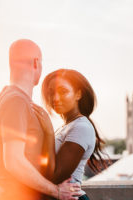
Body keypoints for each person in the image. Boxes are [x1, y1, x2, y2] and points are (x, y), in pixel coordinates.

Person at [0, 40, 81, 200]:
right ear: (35, 63)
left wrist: (48, 130)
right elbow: (14, 161)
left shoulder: (10, 98)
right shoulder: (15, 102)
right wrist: (56, 191)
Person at [32, 69, 108, 200]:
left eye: (63, 91)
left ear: (78, 94)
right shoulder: (66, 127)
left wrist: (48, 132)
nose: (55, 98)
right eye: (51, 93)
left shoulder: (81, 127)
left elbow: (55, 176)